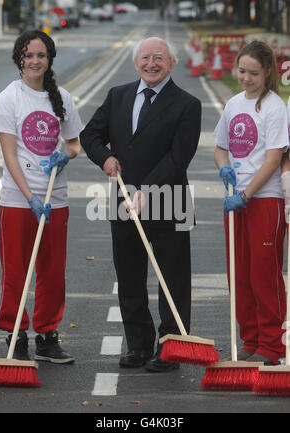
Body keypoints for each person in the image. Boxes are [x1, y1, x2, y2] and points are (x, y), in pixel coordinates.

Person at [80, 37, 201, 372]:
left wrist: (148, 189)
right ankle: (137, 345)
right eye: (145, 57)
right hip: (123, 196)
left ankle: (171, 346)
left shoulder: (187, 104)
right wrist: (105, 158)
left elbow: (180, 157)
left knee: (171, 278)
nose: (152, 64)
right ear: (136, 63)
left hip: (169, 198)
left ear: (172, 64)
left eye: (159, 58)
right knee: (130, 275)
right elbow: (90, 135)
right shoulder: (118, 96)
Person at [0, 30, 82, 363]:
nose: (34, 61)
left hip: (56, 199)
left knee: (52, 271)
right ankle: (16, 334)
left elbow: (74, 143)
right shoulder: (9, 98)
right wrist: (29, 196)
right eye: (28, 55)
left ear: (49, 59)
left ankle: (48, 336)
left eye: (40, 55)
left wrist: (67, 155)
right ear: (19, 59)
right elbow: (9, 155)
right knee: (16, 271)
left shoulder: (63, 98)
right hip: (19, 201)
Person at [214, 40, 289, 365]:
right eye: (241, 71)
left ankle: (273, 344)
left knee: (264, 273)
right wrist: (223, 168)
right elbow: (220, 148)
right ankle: (251, 339)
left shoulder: (274, 107)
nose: (245, 78)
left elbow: (273, 159)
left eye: (253, 73)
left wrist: (246, 194)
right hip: (235, 201)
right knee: (239, 274)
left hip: (264, 200)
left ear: (268, 72)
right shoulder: (233, 104)